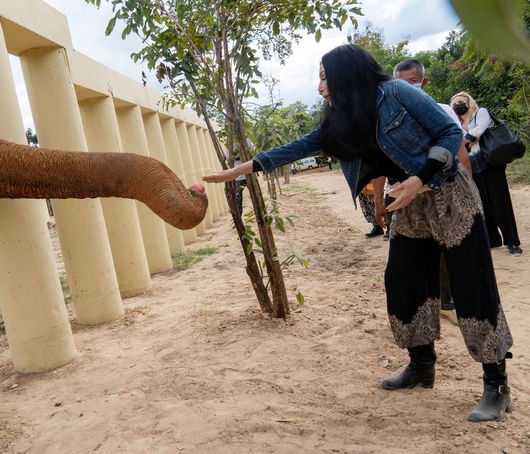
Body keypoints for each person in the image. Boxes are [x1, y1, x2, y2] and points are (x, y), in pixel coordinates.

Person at [203, 44, 513, 422]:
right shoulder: (342, 117)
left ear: (346, 74)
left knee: (471, 285)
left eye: (323, 76)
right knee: (402, 282)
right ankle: (421, 365)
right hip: (408, 202)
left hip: (448, 193)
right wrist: (243, 169)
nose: (320, 87)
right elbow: (303, 146)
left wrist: (422, 177)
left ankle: (496, 384)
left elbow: (450, 133)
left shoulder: (397, 93)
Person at [387, 59, 472, 326]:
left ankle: (449, 302)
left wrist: (470, 188)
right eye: (400, 84)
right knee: (413, 258)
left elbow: (459, 151)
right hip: (410, 199)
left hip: (444, 191)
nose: (407, 88)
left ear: (423, 83)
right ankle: (425, 309)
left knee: (450, 249)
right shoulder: (394, 117)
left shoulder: (441, 110)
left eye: (412, 82)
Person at [451, 91, 523, 256]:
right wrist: (469, 139)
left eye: (460, 102)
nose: (457, 106)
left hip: (490, 164)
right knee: (481, 205)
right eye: (454, 104)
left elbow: (479, 130)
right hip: (471, 168)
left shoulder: (480, 113)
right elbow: (464, 140)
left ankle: (512, 242)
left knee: (500, 204)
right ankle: (493, 239)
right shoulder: (455, 124)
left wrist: (467, 139)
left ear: (469, 102)